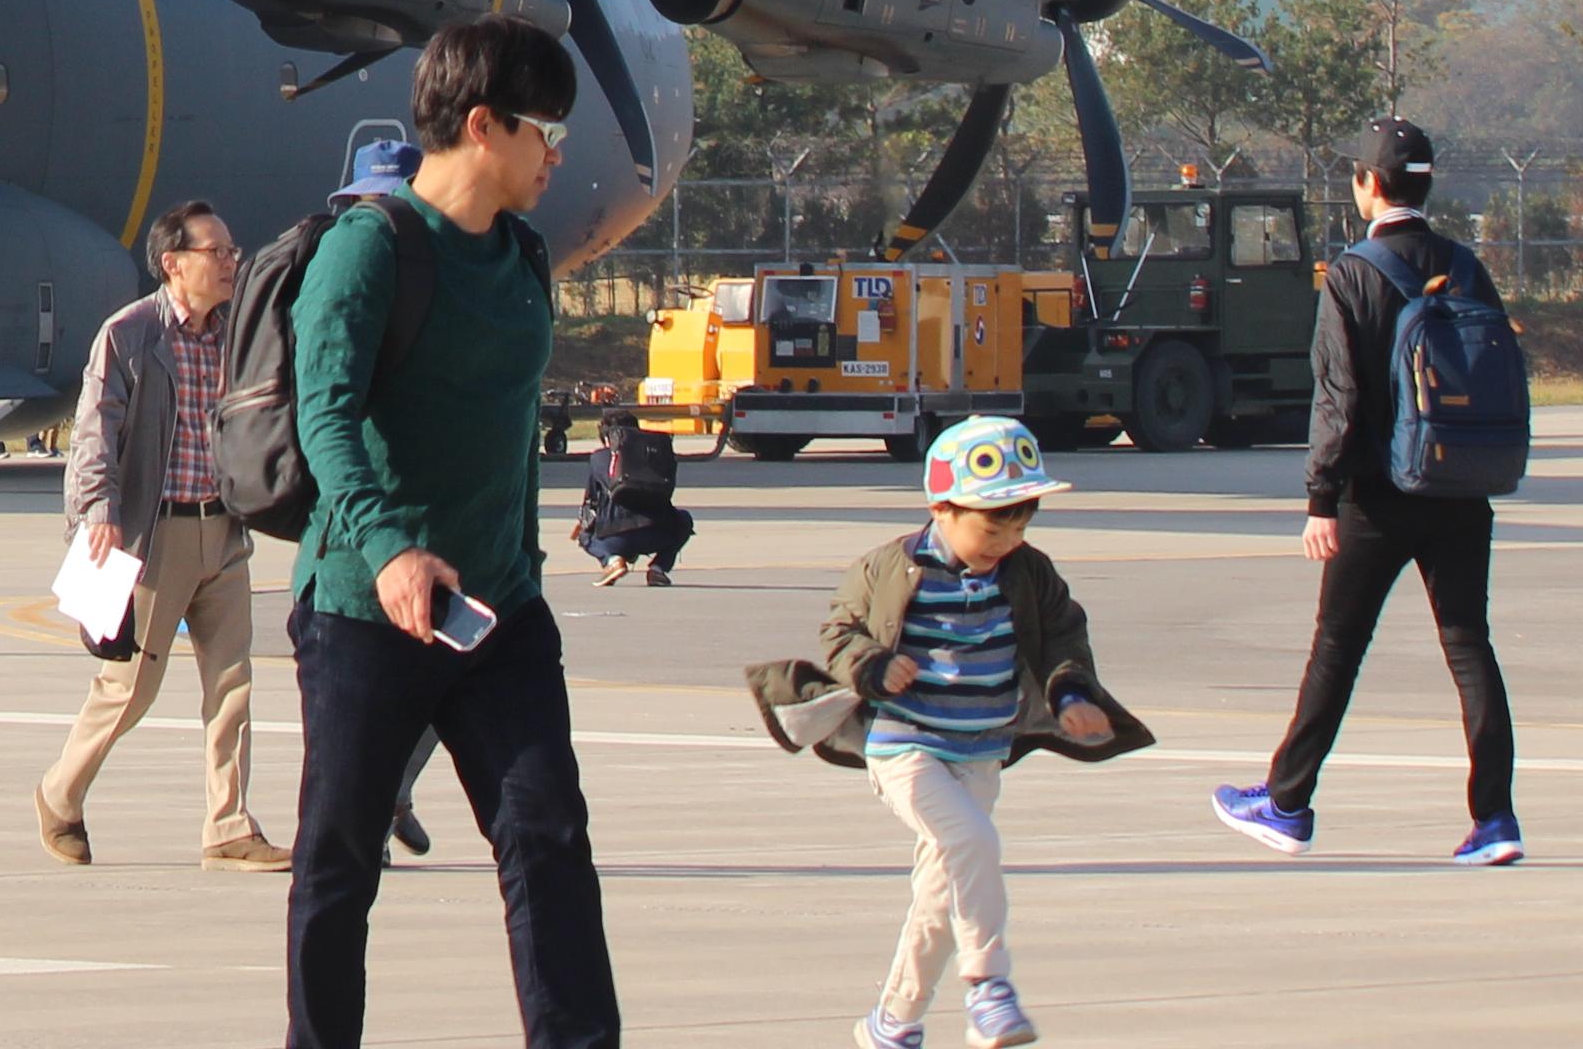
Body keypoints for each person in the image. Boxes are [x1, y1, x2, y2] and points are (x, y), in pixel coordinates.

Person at [279, 13, 617, 1049]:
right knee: (340, 860)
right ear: (483, 125)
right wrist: (391, 553)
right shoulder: (369, 249)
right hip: (365, 615)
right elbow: (323, 417)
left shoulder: (519, 253)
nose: (558, 155)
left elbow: (510, 430)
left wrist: (517, 566)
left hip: (498, 616)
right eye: (544, 132)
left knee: (549, 839)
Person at [746, 415, 1131, 1049]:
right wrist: (873, 665)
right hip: (905, 746)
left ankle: (893, 1022)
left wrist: (1069, 695)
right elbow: (839, 633)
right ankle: (989, 985)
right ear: (941, 508)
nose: (1005, 539)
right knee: (973, 842)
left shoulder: (1028, 572)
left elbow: (1064, 638)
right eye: (990, 524)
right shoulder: (888, 568)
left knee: (943, 888)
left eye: (1019, 524)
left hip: (981, 751)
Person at [1214, 112, 1527, 867]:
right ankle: (1496, 820)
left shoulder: (1352, 272)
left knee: (1337, 648)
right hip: (1459, 486)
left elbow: (1339, 396)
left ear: (1365, 183)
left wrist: (1320, 498)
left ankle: (1287, 803)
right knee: (1469, 647)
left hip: (1377, 496)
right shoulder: (1466, 264)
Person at [37, 200, 284, 868]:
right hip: (152, 540)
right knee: (129, 690)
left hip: (223, 533)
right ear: (175, 264)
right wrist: (98, 512)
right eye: (218, 252)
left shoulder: (237, 334)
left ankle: (228, 826)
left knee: (232, 684)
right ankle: (60, 794)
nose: (231, 263)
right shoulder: (131, 334)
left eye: (233, 252)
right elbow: (94, 433)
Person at [575, 392, 689, 588]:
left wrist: (582, 526)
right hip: (658, 533)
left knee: (584, 535)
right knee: (685, 518)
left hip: (614, 538)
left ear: (607, 437)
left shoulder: (599, 457)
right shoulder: (655, 456)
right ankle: (658, 569)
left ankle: (612, 561)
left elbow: (590, 503)